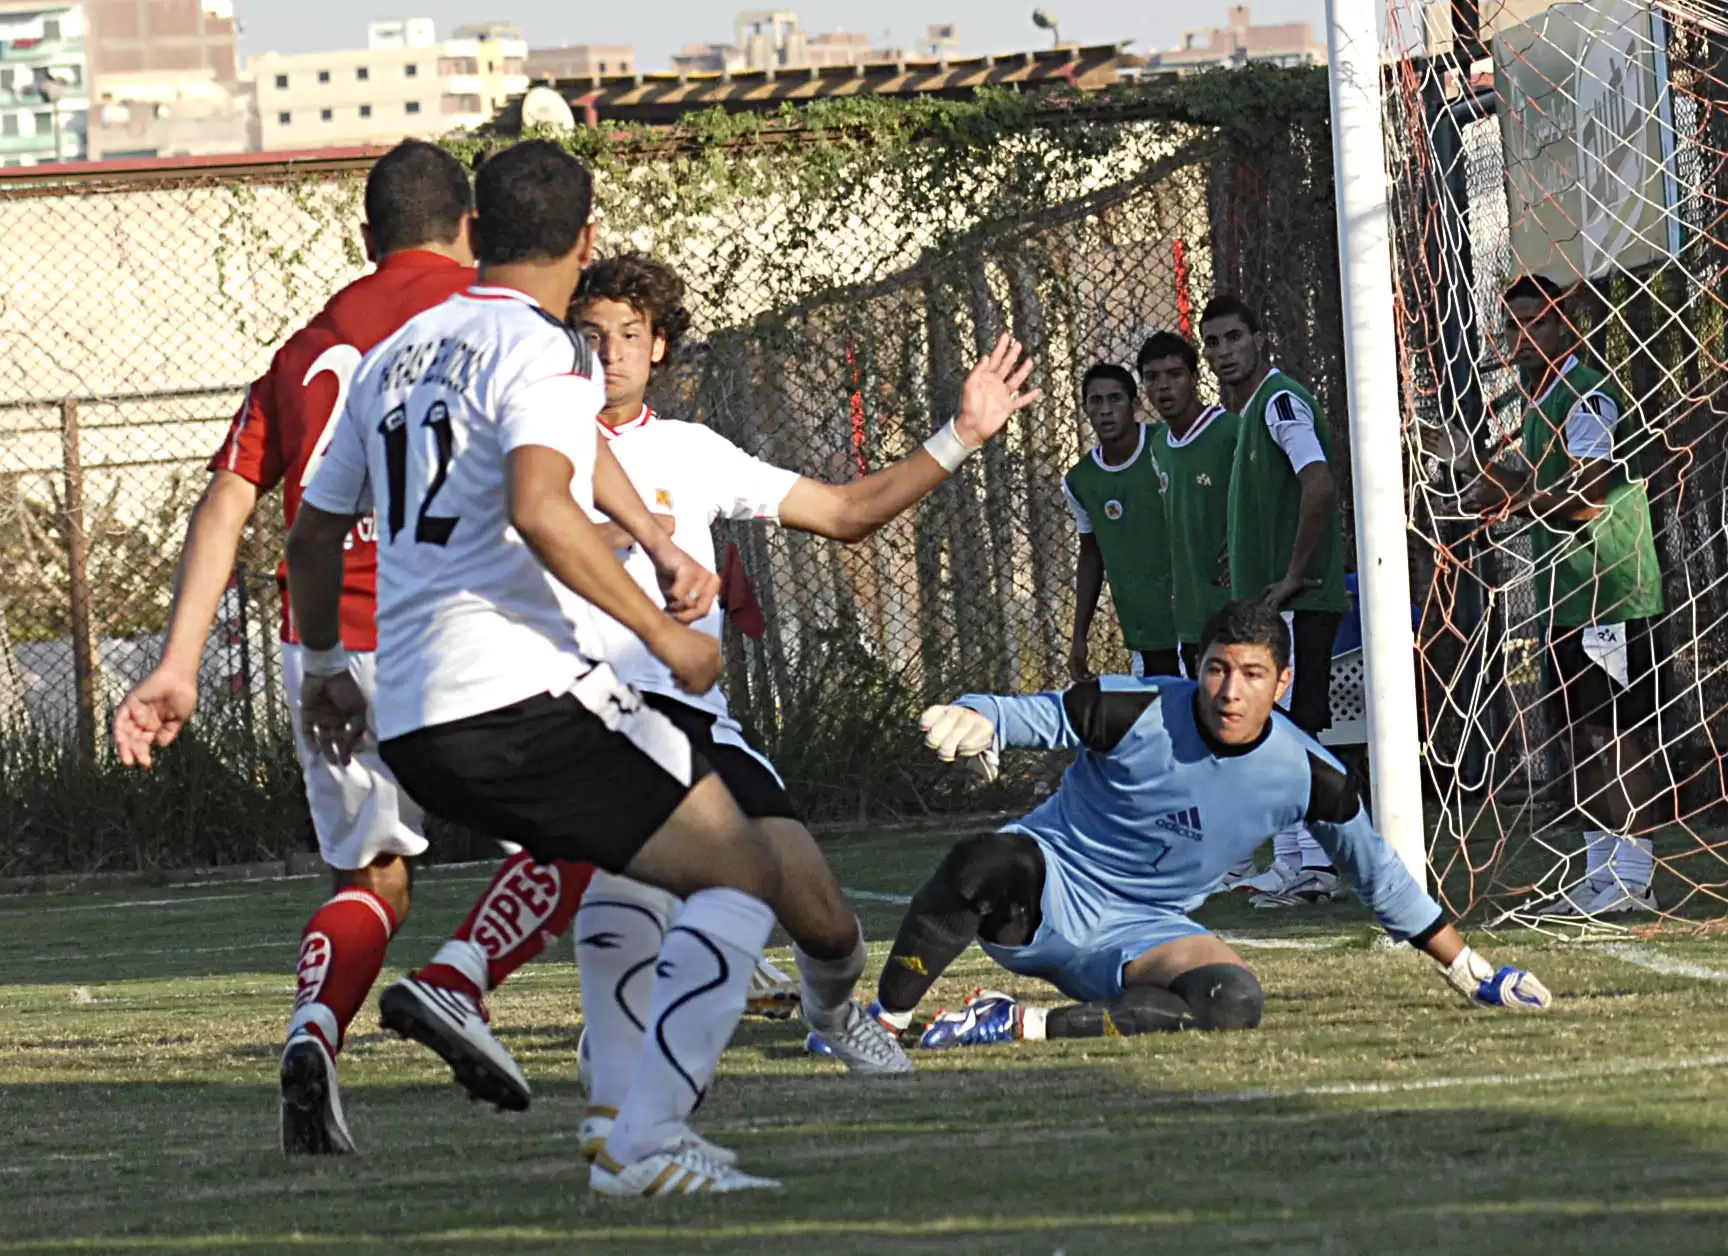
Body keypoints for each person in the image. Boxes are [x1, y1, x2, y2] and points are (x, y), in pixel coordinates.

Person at [383, 253, 1040, 1151]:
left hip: (702, 728)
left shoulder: (689, 451)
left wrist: (961, 433)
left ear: (659, 346)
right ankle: (613, 1036)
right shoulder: (528, 435)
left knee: (830, 925)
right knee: (629, 891)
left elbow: (848, 513)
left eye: (628, 335)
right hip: (590, 721)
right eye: (592, 332)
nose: (608, 352)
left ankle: (829, 1011)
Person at [289, 140, 795, 1196]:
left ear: (476, 228)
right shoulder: (550, 350)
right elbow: (540, 502)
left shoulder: (403, 350)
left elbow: (314, 527)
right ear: (588, 236)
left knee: (622, 858)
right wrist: (663, 630)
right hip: (511, 694)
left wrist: (329, 665)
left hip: (414, 718)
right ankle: (641, 1142)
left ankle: (496, 997)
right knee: (743, 871)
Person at [108, 140, 617, 1157]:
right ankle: (458, 978)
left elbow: (228, 504)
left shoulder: (306, 349)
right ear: (471, 226)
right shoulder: (492, 317)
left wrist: (177, 661)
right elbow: (562, 469)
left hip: (331, 644)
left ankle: (314, 1031)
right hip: (464, 627)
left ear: (364, 235)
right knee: (590, 822)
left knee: (373, 873)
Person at [863, 599, 1550, 1049]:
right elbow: (1032, 715)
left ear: (1281, 685)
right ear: (1198, 669)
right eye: (1218, 669)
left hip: (1150, 933)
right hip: (1047, 893)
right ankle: (881, 1025)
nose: (1230, 690)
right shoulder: (1131, 708)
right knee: (982, 859)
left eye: (1252, 674)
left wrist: (1473, 974)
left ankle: (1013, 1024)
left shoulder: (1310, 774)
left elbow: (1378, 876)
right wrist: (977, 715)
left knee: (1233, 1002)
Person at [1465, 276, 1666, 920]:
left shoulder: (1589, 396)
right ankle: (1599, 865)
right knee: (1578, 732)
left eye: (1537, 323)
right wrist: (1470, 471)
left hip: (1611, 592)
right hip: (1568, 594)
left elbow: (1586, 496)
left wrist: (1508, 498)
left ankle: (1635, 873)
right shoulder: (1536, 401)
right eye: (1514, 327)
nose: (1522, 339)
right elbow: (1530, 487)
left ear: (1566, 325)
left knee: (1616, 731)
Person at [1200, 294, 1352, 908]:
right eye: (1213, 343)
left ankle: (1316, 865)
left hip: (1298, 599)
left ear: (1260, 339)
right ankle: (1292, 860)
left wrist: (1294, 573)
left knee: (1296, 728)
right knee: (1277, 727)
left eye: (1234, 338)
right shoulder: (1250, 414)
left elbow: (1317, 482)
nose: (1223, 352)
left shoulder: (1281, 401)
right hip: (1272, 599)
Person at [1064, 363, 1178, 681]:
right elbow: (1090, 555)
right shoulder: (1080, 481)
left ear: (1135, 404)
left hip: (1197, 622)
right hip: (1143, 634)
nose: (1105, 410)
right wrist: (1079, 636)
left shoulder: (1167, 445)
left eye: (1115, 399)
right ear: (1085, 408)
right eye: (1095, 402)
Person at [1138, 332, 1241, 681]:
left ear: (1195, 379)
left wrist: (1245, 552)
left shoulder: (1231, 432)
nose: (1164, 386)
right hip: (1190, 614)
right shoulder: (1159, 447)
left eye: (1175, 374)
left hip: (1238, 607)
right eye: (1152, 377)